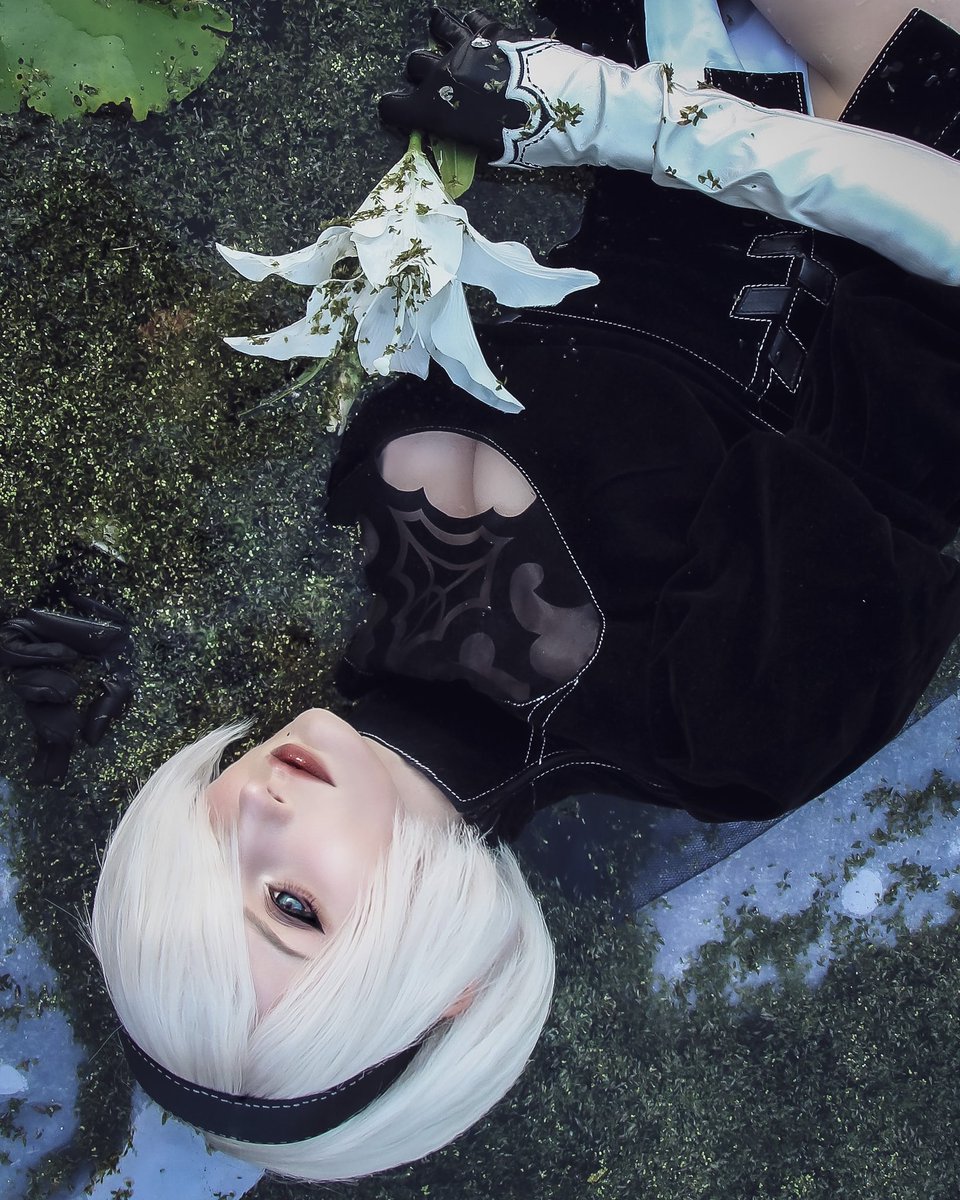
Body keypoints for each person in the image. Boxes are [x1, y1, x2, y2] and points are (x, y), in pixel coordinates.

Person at [91, 0, 960, 1184]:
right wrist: (620, 117)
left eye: (199, 851)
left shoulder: (334, 583)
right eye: (291, 908)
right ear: (440, 981)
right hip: (901, 107)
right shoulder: (731, 729)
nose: (252, 816)